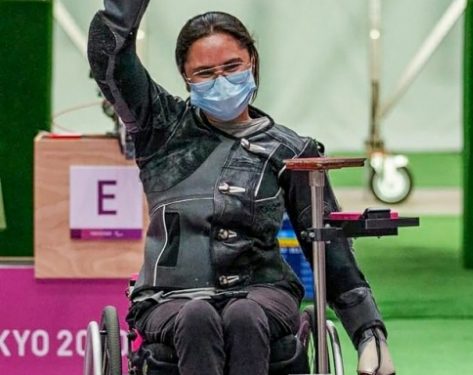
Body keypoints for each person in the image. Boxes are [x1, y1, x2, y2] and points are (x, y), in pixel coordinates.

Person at [87, 1, 394, 374]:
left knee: (244, 314)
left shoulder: (293, 151)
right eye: (205, 73)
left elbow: (329, 244)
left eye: (232, 67)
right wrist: (123, 9)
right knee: (198, 315)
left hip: (264, 293)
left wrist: (368, 331)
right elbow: (111, 63)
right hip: (170, 297)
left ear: (252, 62)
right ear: (186, 79)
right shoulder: (160, 129)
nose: (221, 81)